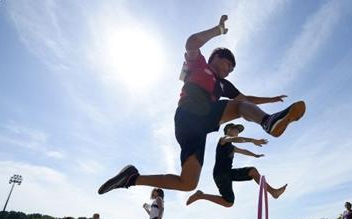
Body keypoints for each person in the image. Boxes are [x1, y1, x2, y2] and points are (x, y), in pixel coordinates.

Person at [98, 15, 306, 197]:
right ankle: (268, 121)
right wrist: (218, 30)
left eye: (232, 70)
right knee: (239, 106)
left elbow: (245, 99)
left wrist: (270, 99)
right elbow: (191, 44)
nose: (228, 71)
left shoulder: (224, 85)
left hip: (197, 130)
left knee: (188, 183)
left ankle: (131, 178)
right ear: (216, 57)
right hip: (190, 113)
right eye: (227, 65)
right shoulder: (200, 65)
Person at [186, 123, 287, 207]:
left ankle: (273, 192)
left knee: (252, 171)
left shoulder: (231, 147)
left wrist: (255, 155)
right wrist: (252, 140)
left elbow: (243, 151)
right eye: (236, 130)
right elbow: (234, 140)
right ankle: (201, 195)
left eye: (239, 131)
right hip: (220, 174)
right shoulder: (223, 139)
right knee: (229, 203)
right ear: (229, 129)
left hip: (229, 172)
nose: (238, 133)